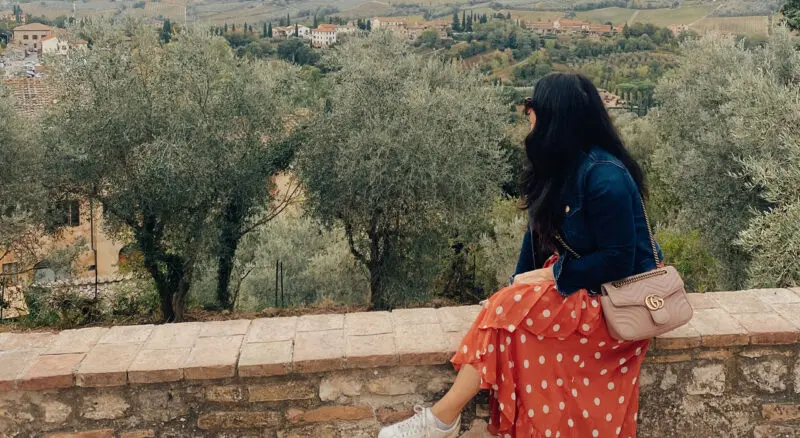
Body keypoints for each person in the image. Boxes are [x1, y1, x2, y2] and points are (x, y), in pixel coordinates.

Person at [378, 72, 662, 438]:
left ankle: (441, 420)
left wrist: (548, 278)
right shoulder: (563, 168)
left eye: (534, 107)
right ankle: (441, 420)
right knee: (503, 309)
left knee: (503, 313)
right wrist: (514, 287)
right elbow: (537, 242)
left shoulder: (605, 177)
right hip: (585, 288)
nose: (528, 114)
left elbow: (619, 260)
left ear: (556, 117)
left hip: (616, 303)